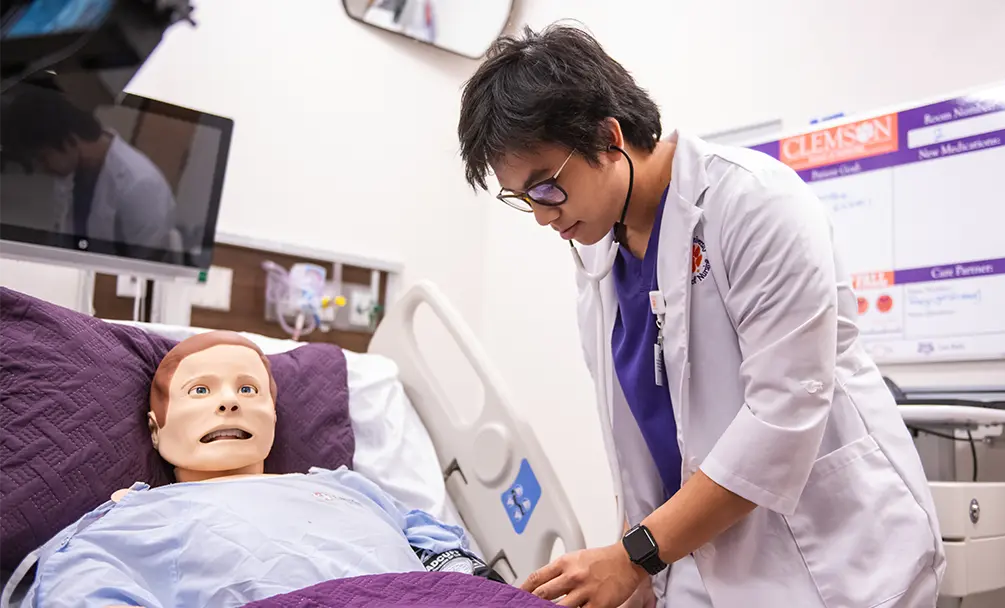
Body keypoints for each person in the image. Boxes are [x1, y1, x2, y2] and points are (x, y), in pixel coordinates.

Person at [457, 24, 945, 608]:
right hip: (700, 565)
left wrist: (632, 558)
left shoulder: (754, 202)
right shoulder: (598, 256)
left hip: (840, 560)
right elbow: (645, 443)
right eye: (522, 198)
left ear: (608, 138)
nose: (542, 216)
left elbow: (782, 416)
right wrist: (635, 570)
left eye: (546, 188)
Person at [17, 331, 501, 608]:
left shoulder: (349, 487)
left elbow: (445, 556)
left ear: (272, 415)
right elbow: (80, 589)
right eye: (200, 391)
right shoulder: (136, 514)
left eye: (248, 389)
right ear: (156, 429)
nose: (229, 402)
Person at [0, 84, 178, 256]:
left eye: (43, 158)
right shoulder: (73, 169)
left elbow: (140, 266)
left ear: (70, 140)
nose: (42, 169)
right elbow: (61, 235)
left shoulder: (141, 187)